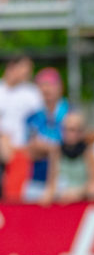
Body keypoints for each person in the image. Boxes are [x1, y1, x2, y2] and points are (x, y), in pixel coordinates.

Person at [22, 66, 70, 201]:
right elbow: (30, 151)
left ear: (60, 87)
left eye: (50, 84)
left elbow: (73, 146)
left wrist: (49, 148)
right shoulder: (32, 117)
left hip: (67, 179)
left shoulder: (71, 113)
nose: (45, 89)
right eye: (41, 85)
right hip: (36, 179)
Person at [0, 54, 44, 198]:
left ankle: (13, 205)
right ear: (12, 67)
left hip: (23, 148)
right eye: (25, 67)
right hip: (4, 145)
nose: (29, 72)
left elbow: (38, 122)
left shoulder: (32, 93)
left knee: (19, 158)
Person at [39, 109, 90, 204]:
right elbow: (51, 182)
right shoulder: (56, 152)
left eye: (73, 130)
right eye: (66, 130)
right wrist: (50, 194)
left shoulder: (88, 153)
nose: (69, 134)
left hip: (82, 201)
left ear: (81, 132)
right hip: (61, 199)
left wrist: (78, 192)